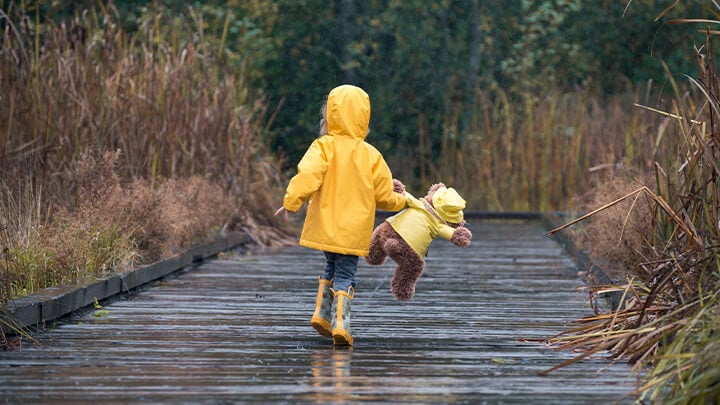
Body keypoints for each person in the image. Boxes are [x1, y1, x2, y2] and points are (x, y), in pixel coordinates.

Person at [275, 84, 406, 346]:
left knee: (331, 266)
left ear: (330, 114)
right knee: (346, 272)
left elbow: (307, 176)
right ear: (363, 118)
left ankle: (322, 314)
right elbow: (384, 195)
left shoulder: (323, 147)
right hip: (352, 230)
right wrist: (402, 201)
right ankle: (341, 324)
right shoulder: (371, 155)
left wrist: (291, 202)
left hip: (326, 226)